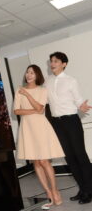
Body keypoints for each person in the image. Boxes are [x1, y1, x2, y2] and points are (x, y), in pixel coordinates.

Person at [14, 64, 64, 209]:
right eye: (27, 72)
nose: (29, 75)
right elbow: (17, 111)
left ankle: (55, 191)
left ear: (37, 76)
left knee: (44, 161)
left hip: (41, 127)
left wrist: (28, 95)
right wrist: (33, 110)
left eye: (32, 73)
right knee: (36, 162)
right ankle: (48, 193)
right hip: (27, 128)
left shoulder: (42, 90)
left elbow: (40, 108)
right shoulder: (19, 90)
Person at [46, 51, 92, 204]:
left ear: (64, 64)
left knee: (80, 155)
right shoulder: (47, 81)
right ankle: (83, 189)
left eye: (56, 61)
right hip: (57, 123)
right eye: (51, 61)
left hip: (71, 121)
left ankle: (89, 190)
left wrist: (82, 106)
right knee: (70, 158)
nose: (52, 63)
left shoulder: (71, 81)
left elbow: (78, 99)